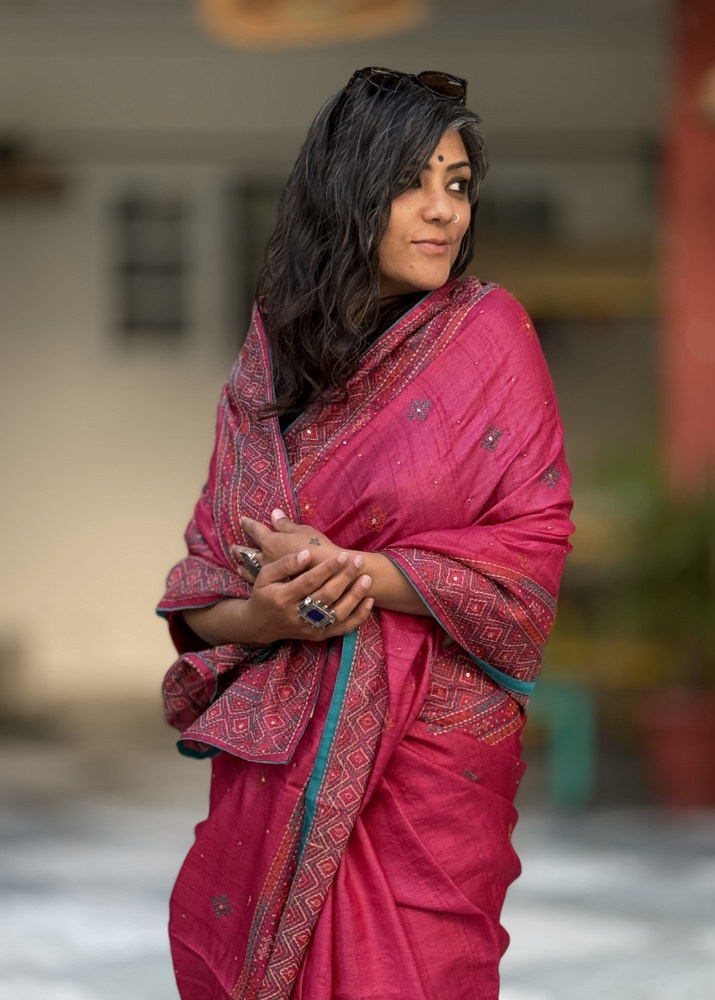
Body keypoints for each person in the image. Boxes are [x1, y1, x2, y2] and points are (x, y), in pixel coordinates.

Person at [157, 66, 573, 1000]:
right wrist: (266, 617)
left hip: (428, 764)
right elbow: (203, 590)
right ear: (348, 193)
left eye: (458, 184)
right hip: (286, 768)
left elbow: (533, 547)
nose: (442, 212)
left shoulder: (491, 337)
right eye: (410, 182)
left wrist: (361, 574)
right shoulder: (272, 361)